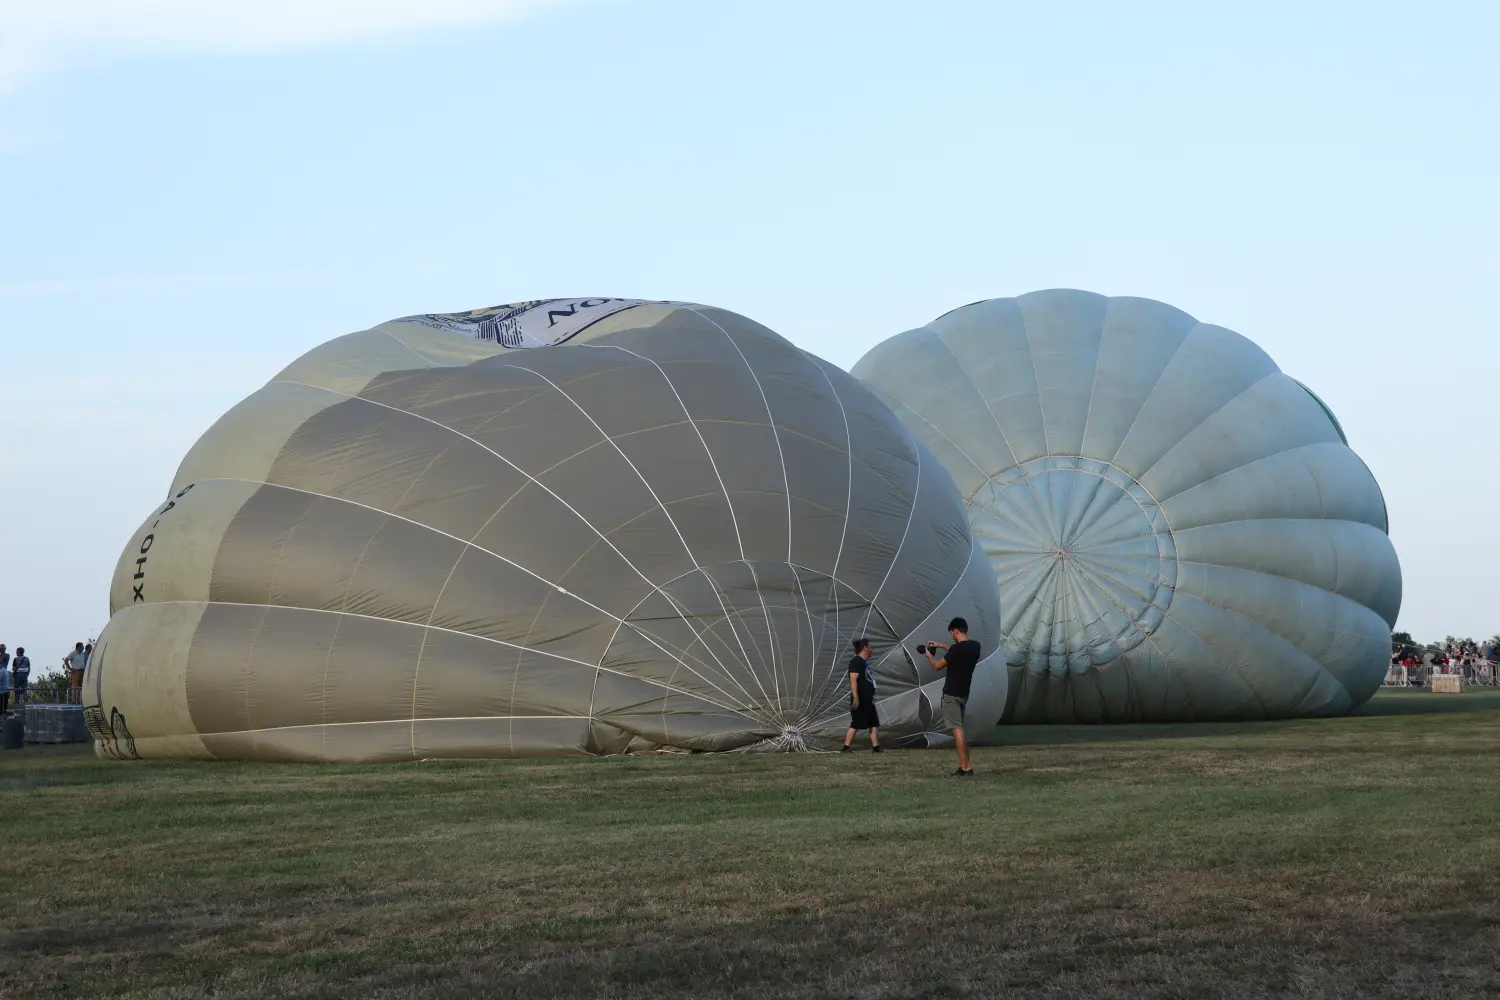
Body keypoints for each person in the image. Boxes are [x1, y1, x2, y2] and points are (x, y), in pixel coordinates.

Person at [923, 616, 982, 777]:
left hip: (951, 695)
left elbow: (937, 666)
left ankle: (965, 768)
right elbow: (959, 651)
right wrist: (942, 646)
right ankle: (965, 766)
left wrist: (929, 655)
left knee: (957, 731)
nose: (952, 637)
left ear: (955, 631)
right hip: (964, 695)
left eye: (952, 634)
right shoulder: (975, 647)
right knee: (960, 730)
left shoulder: (956, 650)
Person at [842, 638, 881, 752]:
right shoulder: (855, 662)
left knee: (873, 723)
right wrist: (856, 698)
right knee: (856, 723)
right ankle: (846, 748)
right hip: (861, 698)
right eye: (870, 647)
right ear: (865, 647)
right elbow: (853, 680)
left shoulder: (863, 663)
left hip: (868, 699)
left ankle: (876, 748)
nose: (871, 650)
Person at [0, 645, 10, 716]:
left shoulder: (3, 671)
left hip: (2, 692)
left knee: (2, 711)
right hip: (4, 691)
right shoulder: (4, 671)